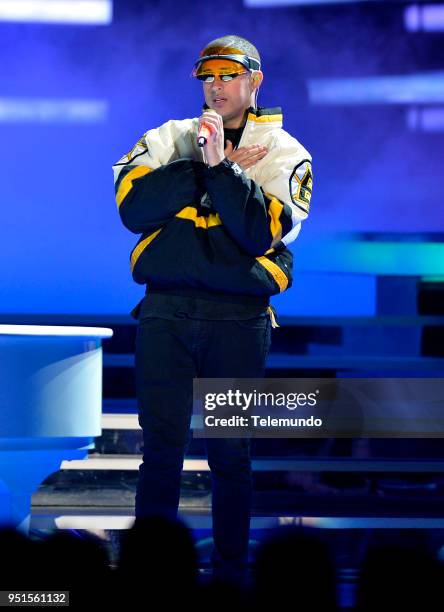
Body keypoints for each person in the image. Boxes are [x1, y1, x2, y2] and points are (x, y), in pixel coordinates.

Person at [112, 34, 313, 585]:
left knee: (230, 456)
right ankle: (151, 576)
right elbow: (133, 208)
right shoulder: (168, 136)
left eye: (227, 75)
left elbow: (257, 234)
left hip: (237, 322)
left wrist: (225, 171)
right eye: (208, 77)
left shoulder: (286, 152)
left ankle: (231, 575)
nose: (216, 86)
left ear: (255, 81)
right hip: (166, 313)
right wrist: (204, 168)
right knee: (161, 453)